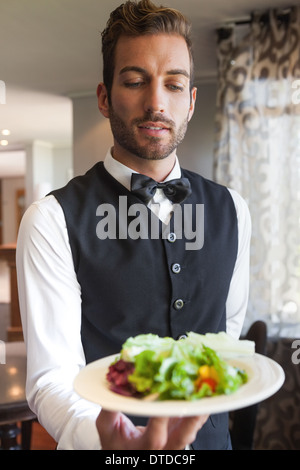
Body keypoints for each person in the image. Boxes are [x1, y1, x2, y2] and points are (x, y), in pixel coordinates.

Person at [16, 0, 251, 450]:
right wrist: (107, 440)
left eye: (174, 84)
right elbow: (51, 379)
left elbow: (228, 332)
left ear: (191, 101)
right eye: (135, 81)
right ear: (105, 98)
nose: (156, 102)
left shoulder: (233, 210)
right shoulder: (50, 220)